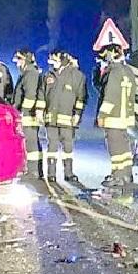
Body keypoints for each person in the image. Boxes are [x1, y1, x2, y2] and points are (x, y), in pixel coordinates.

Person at [96, 44, 136, 188]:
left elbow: (110, 95)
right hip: (124, 116)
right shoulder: (128, 71)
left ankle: (117, 176)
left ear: (112, 54)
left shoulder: (113, 72)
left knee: (115, 148)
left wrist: (102, 115)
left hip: (113, 116)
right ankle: (127, 174)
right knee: (124, 146)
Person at [42, 50, 84, 182]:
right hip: (51, 119)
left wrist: (77, 115)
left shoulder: (77, 76)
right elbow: (41, 95)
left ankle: (68, 173)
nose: (51, 63)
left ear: (63, 60)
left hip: (67, 119)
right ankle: (51, 174)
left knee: (68, 148)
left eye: (54, 60)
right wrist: (39, 111)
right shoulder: (48, 75)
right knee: (52, 147)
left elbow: (81, 97)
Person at [12, 48, 43, 178]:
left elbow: (30, 96)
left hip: (28, 115)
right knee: (31, 143)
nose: (16, 62)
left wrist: (23, 113)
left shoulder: (30, 74)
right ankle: (34, 170)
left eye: (19, 59)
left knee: (31, 144)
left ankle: (33, 171)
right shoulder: (27, 73)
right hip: (27, 114)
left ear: (26, 60)